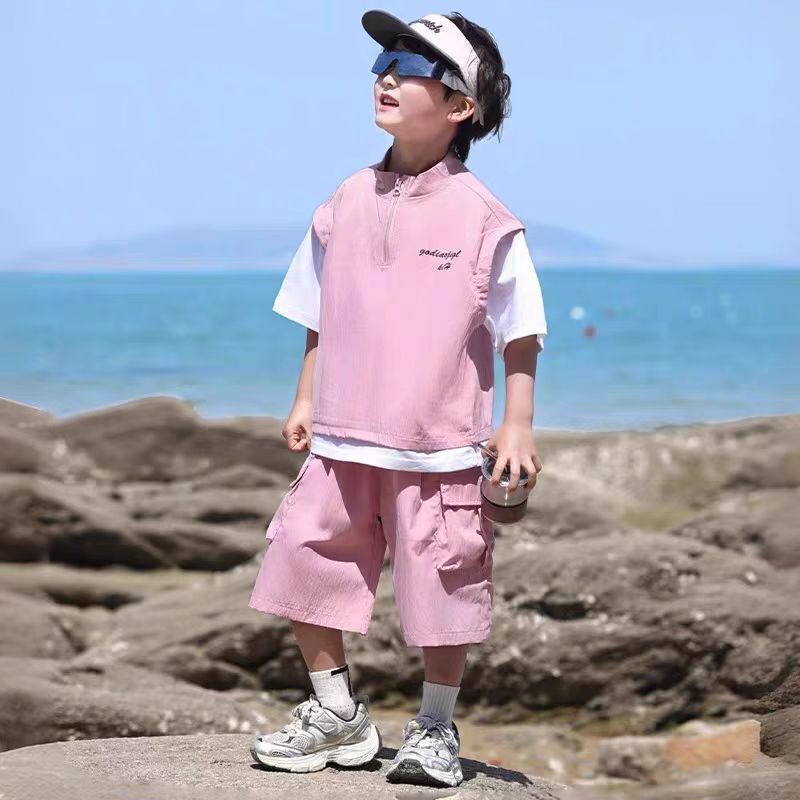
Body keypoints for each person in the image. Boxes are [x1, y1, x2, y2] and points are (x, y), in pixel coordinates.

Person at [248, 9, 547, 788]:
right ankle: (335, 711)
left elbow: (520, 332)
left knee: (444, 583)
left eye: (415, 68)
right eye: (385, 61)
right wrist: (305, 396)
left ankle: (435, 725)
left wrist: (516, 424)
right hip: (341, 436)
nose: (388, 75)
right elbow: (319, 310)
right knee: (304, 559)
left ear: (461, 107)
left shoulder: (485, 219)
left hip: (439, 446)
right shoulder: (345, 198)